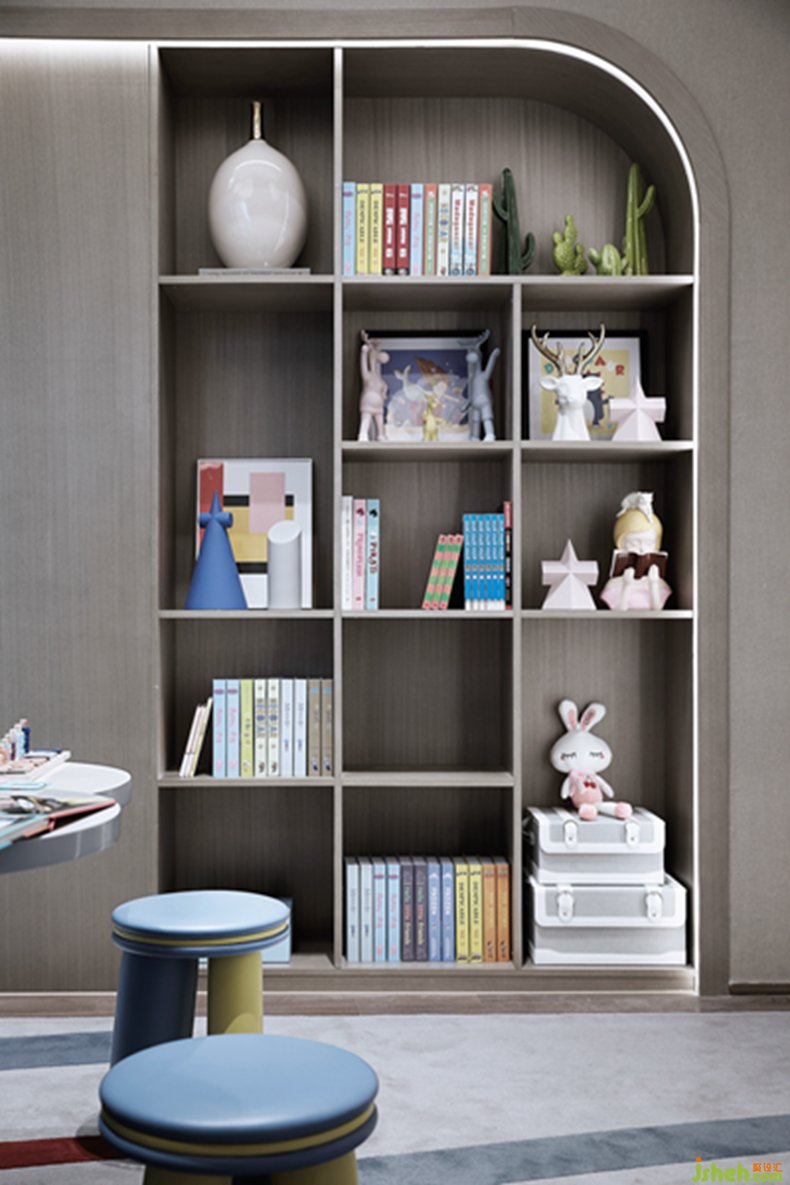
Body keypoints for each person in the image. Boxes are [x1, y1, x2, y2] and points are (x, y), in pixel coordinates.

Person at [599, 490, 671, 611]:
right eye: (634, 543)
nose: (642, 549)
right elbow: (619, 611)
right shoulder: (614, 584)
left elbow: (657, 609)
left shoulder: (659, 582)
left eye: (649, 543)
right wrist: (626, 584)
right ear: (621, 544)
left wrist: (653, 583)